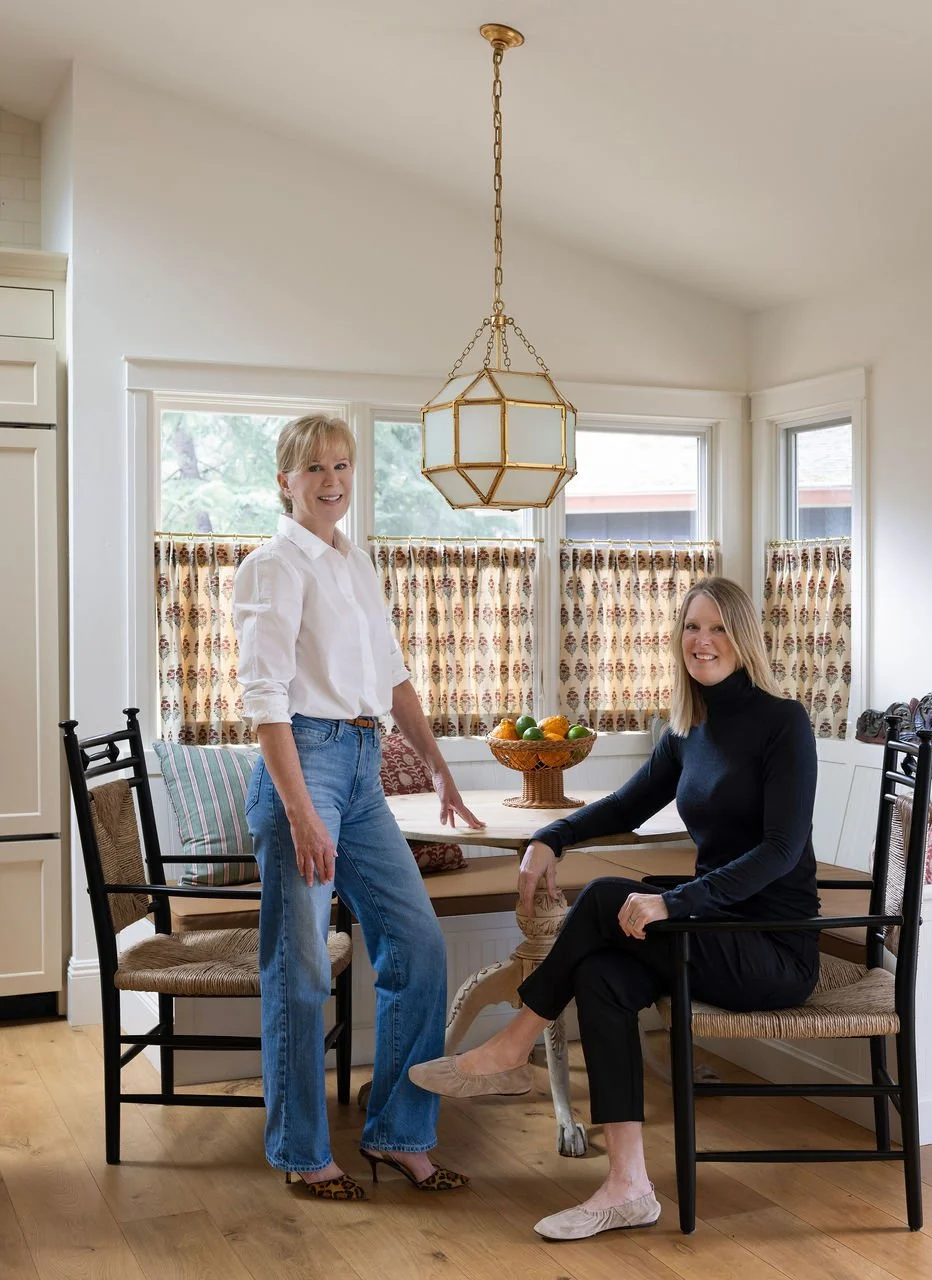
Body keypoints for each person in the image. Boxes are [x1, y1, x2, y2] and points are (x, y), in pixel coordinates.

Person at [410, 576, 819, 1239]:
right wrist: (549, 837)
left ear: (743, 636)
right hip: (706, 930)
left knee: (605, 897)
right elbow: (629, 805)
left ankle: (513, 1044)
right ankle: (628, 1186)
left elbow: (779, 851)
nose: (702, 641)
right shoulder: (690, 727)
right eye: (691, 627)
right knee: (601, 976)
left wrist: (671, 904)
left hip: (771, 946)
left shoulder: (784, 723)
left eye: (717, 627)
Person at [234, 413, 483, 1200]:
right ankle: (302, 1151)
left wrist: (440, 768)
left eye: (343, 466)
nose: (333, 481)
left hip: (365, 766)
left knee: (419, 946)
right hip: (301, 768)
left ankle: (400, 1131)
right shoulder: (273, 566)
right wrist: (303, 812)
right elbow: (264, 698)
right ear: (285, 481)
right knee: (301, 967)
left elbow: (395, 676)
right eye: (314, 469)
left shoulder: (355, 561)